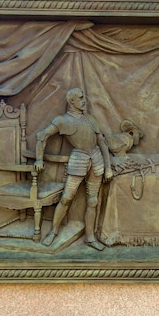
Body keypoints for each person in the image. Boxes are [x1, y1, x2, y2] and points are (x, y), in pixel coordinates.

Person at [33, 88, 113, 251]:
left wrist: (108, 167)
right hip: (78, 160)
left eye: (84, 97)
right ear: (72, 101)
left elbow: (101, 142)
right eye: (81, 98)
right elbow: (42, 136)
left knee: (93, 201)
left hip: (96, 160)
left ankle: (90, 237)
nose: (84, 101)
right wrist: (39, 159)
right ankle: (53, 232)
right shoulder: (62, 120)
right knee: (66, 198)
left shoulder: (90, 119)